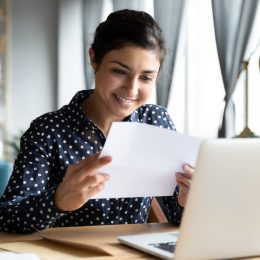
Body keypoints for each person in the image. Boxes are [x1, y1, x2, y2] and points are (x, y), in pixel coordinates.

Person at [0, 9, 194, 233]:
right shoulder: (48, 130)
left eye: (146, 77)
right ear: (94, 59)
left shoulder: (156, 121)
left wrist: (187, 201)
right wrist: (57, 201)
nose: (131, 89)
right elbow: (6, 216)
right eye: (119, 71)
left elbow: (177, 216)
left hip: (134, 253)